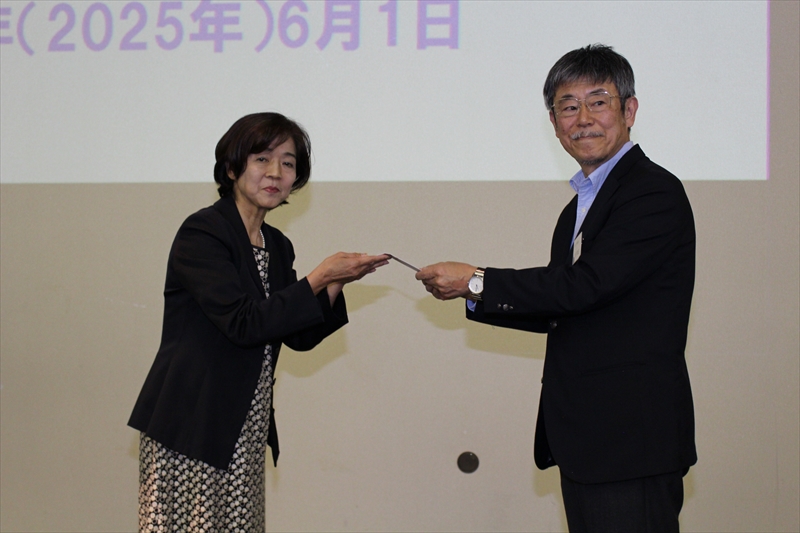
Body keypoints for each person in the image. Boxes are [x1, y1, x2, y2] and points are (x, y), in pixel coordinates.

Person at [416, 45, 696, 532]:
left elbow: (585, 286)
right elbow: (561, 309)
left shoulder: (652, 192)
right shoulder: (578, 208)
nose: (583, 119)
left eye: (598, 102)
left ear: (629, 110)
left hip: (630, 441)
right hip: (588, 439)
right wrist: (471, 291)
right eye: (568, 106)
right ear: (553, 121)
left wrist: (477, 279)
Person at [128, 112, 389, 531]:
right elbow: (243, 323)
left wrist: (335, 283)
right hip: (192, 421)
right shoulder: (203, 232)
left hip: (244, 425)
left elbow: (297, 334)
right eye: (262, 159)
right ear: (232, 168)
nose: (276, 172)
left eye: (288, 163)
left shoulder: (277, 245)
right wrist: (318, 277)